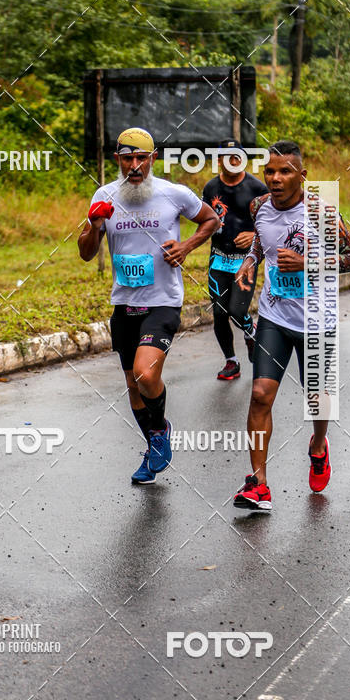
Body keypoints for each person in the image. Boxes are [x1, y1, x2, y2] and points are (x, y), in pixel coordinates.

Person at [78, 127, 219, 484]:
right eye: (128, 158)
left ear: (153, 159)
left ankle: (160, 430)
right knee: (132, 384)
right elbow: (85, 252)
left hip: (162, 302)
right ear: (118, 160)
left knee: (145, 373)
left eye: (142, 158)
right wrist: (95, 226)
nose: (135, 166)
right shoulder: (104, 195)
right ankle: (155, 442)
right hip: (124, 303)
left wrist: (187, 246)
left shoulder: (174, 194)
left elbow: (211, 220)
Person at [232, 140, 350, 511]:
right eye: (270, 170)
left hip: (318, 321)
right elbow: (262, 241)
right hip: (274, 315)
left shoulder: (321, 210)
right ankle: (258, 485)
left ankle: (318, 445)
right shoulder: (258, 206)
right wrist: (250, 261)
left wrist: (307, 263)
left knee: (318, 402)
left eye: (285, 171)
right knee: (259, 395)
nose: (275, 178)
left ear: (302, 176)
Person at [202, 138, 267, 380]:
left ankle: (250, 333)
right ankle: (231, 361)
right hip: (218, 258)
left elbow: (272, 224)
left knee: (237, 310)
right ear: (218, 161)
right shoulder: (210, 188)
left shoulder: (258, 188)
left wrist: (253, 235)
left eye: (236, 157)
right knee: (219, 312)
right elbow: (204, 219)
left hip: (246, 260)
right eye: (225, 158)